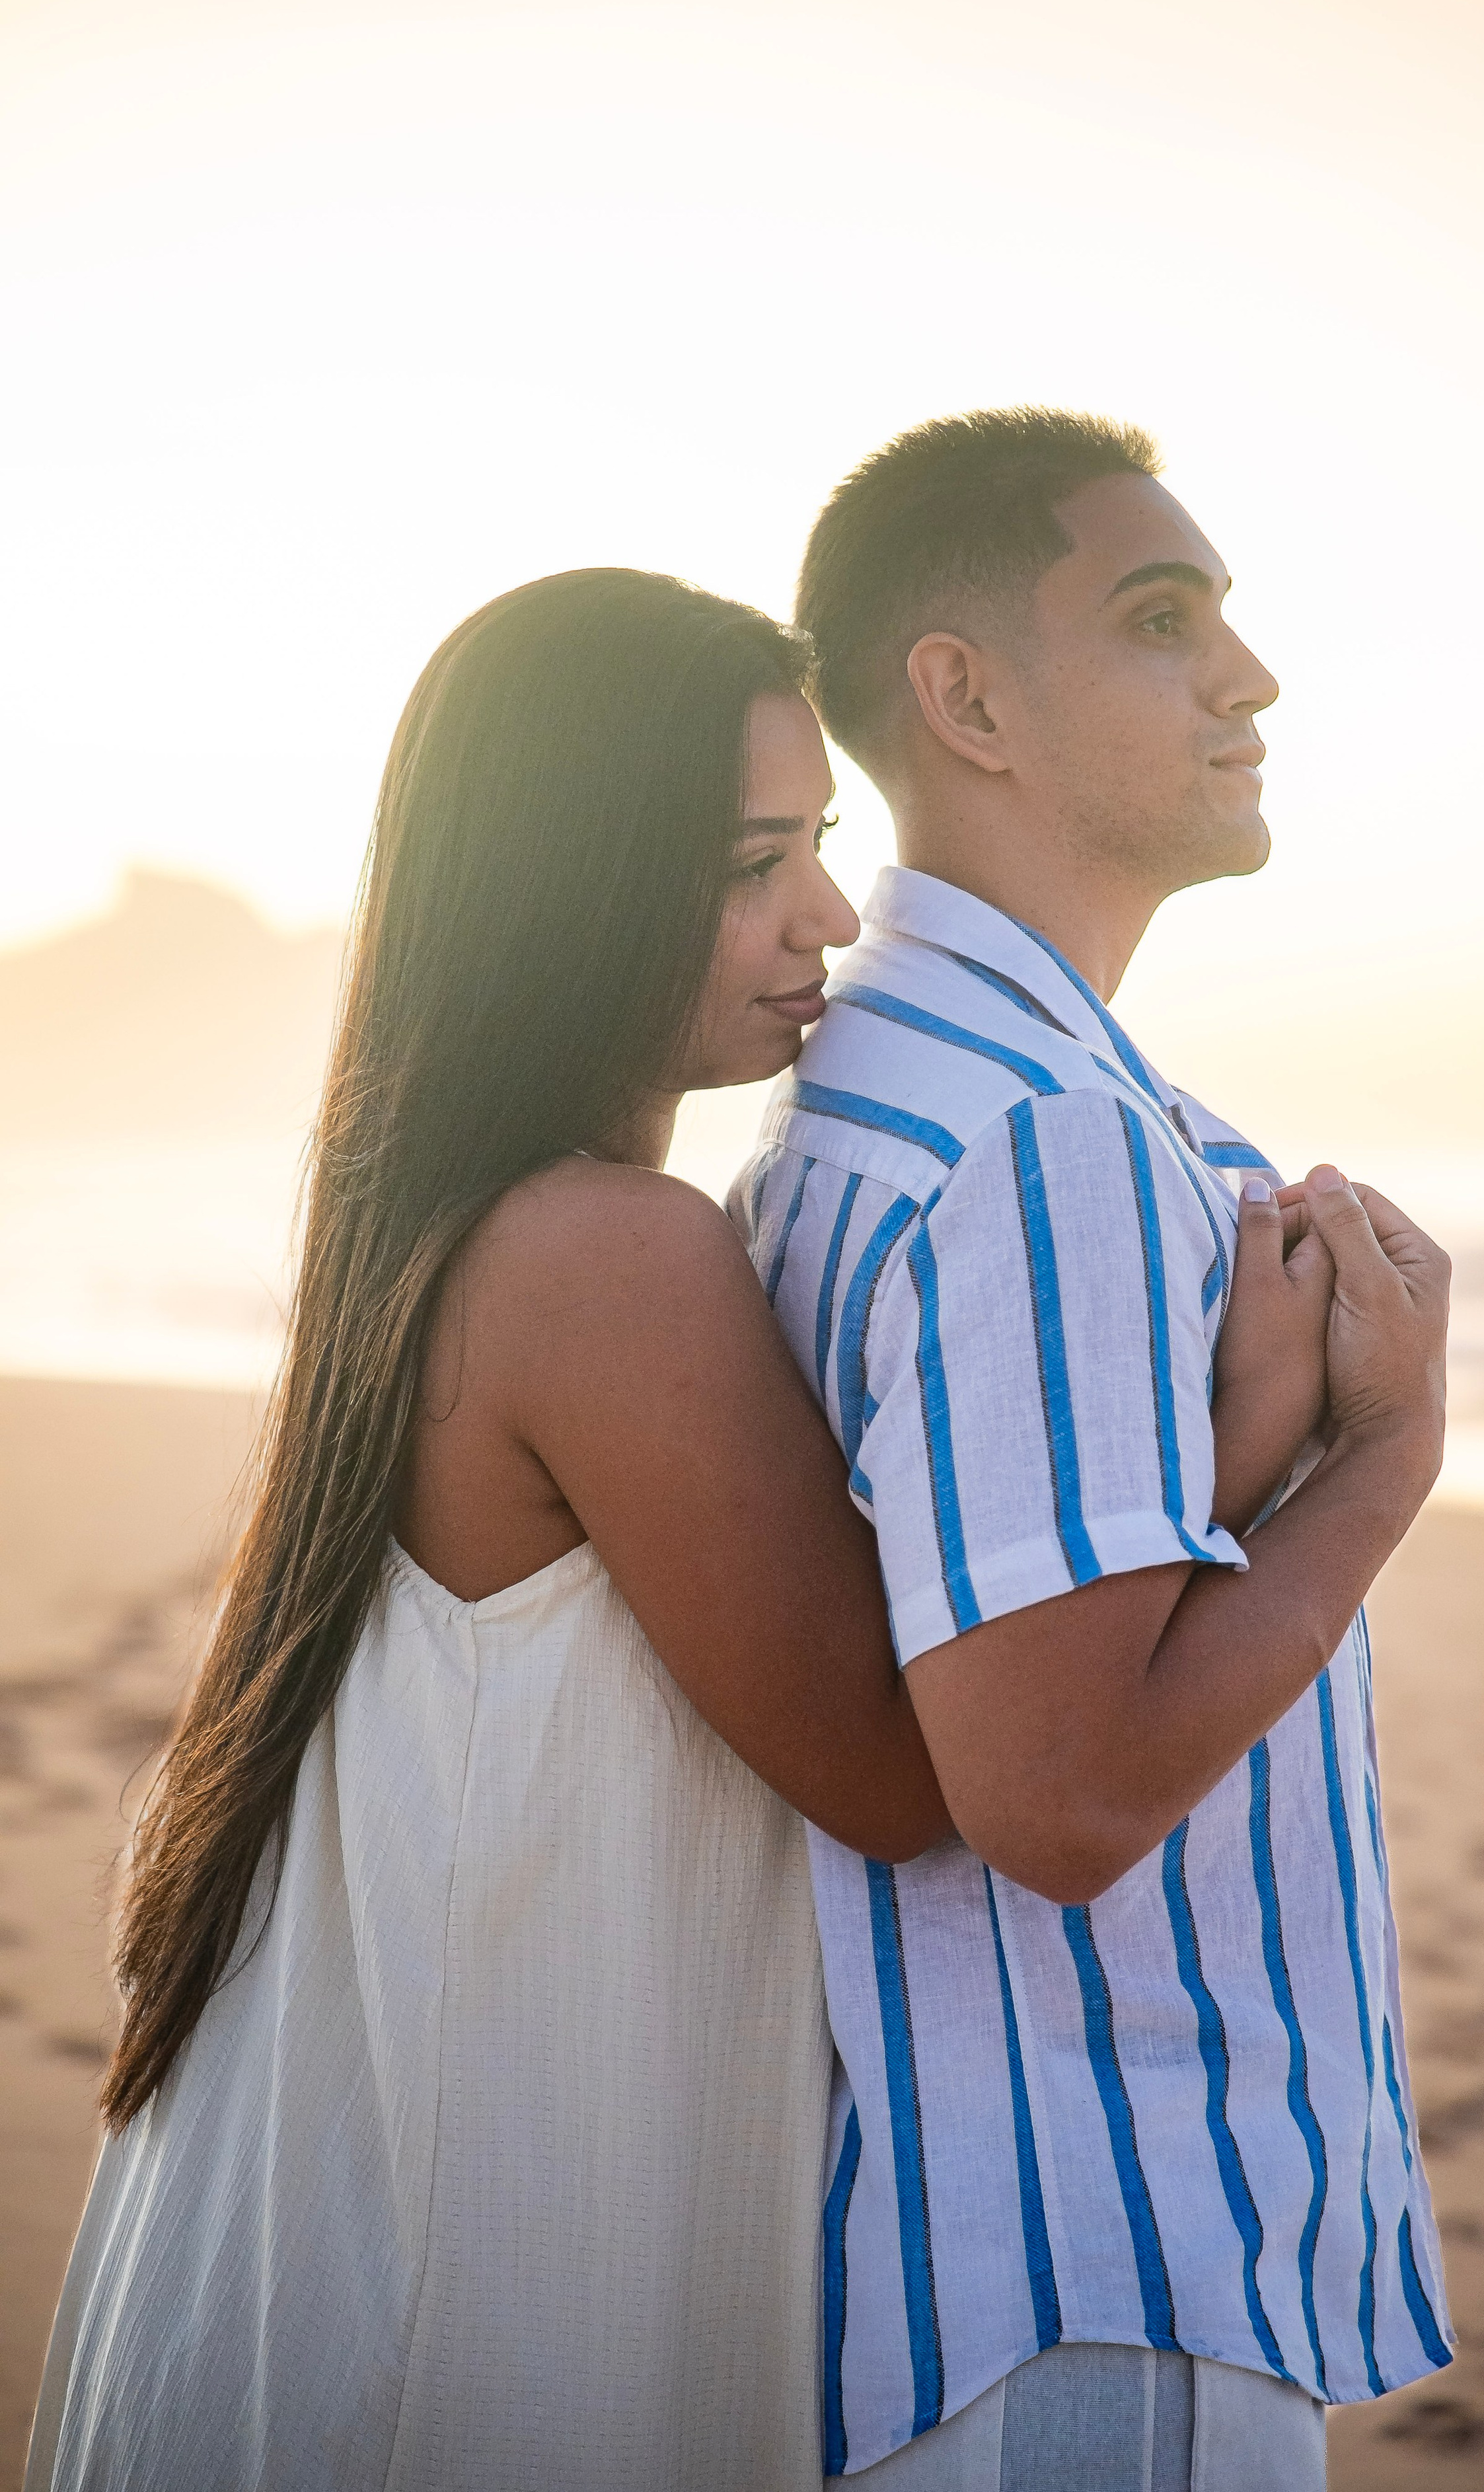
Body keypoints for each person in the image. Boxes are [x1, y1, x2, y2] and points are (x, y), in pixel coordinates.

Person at [26, 568, 959, 2492]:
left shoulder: (445, 1234)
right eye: (748, 859)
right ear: (575, 885)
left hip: (350, 2240)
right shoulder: (606, 1255)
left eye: (822, 843)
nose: (829, 917)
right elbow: (900, 1770)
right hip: (478, 2294)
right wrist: (1309, 1457)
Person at [732, 408, 1455, 2488]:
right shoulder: (1042, 1140)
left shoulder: (889, 1091)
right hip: (1094, 2261)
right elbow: (1053, 1790)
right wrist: (1383, 1466)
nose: (1251, 676)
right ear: (964, 700)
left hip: (1006, 2258)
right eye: (1163, 618)